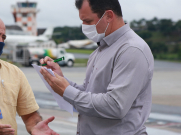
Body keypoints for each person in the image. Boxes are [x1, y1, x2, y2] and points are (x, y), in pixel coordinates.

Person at [40, 0, 154, 135]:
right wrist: (61, 78)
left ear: (109, 16)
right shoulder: (100, 50)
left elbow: (115, 106)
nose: (84, 26)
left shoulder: (131, 49)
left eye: (88, 21)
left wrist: (66, 90)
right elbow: (89, 94)